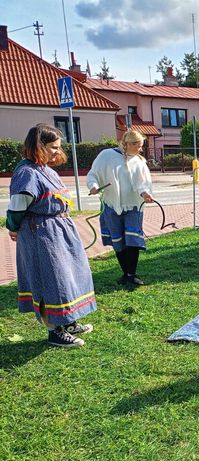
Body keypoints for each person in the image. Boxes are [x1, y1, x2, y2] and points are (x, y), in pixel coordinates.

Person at [5, 124, 95, 348]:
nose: (57, 151)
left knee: (68, 276)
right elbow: (17, 206)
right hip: (41, 233)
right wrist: (13, 227)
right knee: (52, 280)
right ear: (39, 146)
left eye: (59, 147)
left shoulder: (46, 169)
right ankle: (55, 331)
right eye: (53, 147)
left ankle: (68, 320)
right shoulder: (27, 172)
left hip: (59, 230)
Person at [87, 129, 154, 286]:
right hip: (111, 206)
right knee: (118, 242)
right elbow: (93, 174)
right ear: (129, 144)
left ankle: (132, 274)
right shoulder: (106, 155)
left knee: (132, 241)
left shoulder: (138, 161)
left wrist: (145, 194)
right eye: (138, 146)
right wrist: (93, 185)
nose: (141, 150)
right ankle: (125, 274)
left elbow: (142, 183)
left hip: (133, 206)